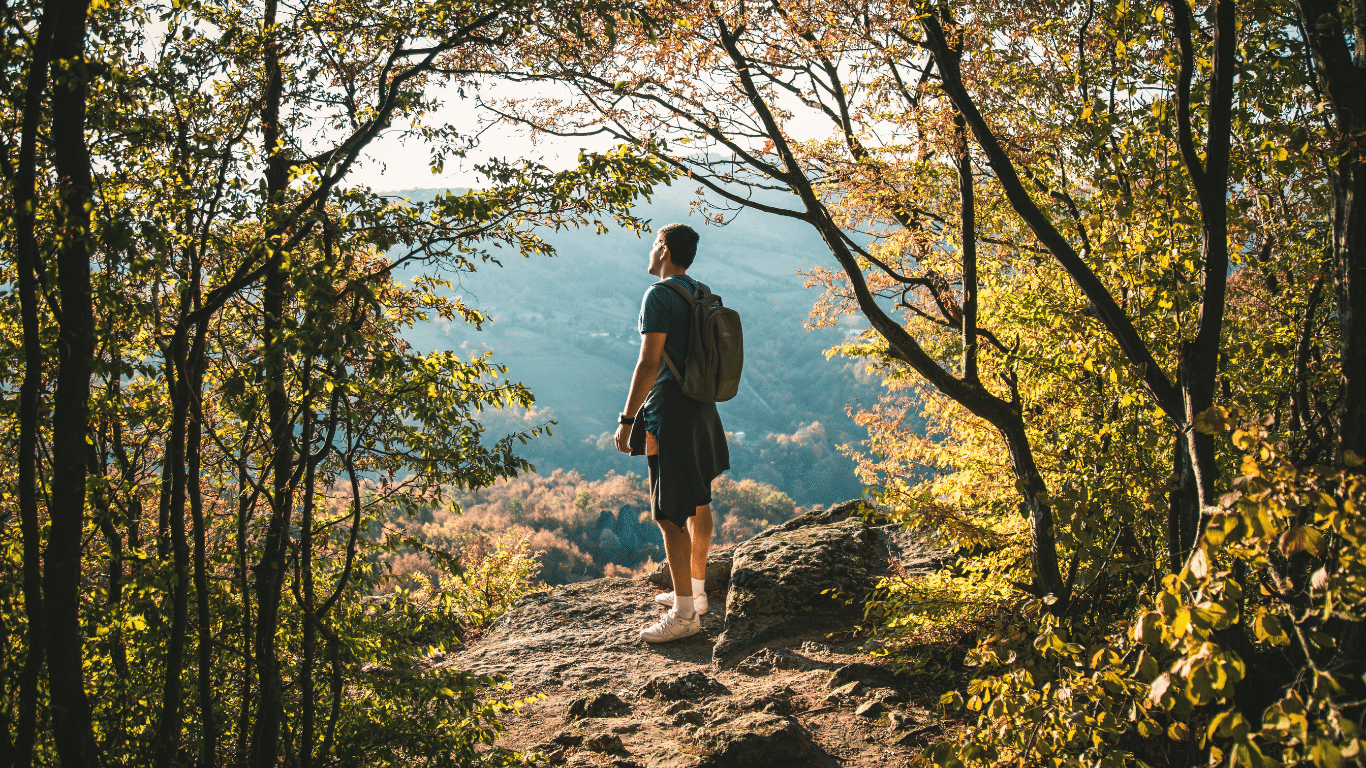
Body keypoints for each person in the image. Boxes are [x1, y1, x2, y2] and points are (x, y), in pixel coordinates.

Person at [614, 223, 729, 643]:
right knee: (698, 499)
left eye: (653, 244)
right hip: (702, 406)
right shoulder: (700, 291)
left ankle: (684, 616)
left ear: (663, 249)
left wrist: (627, 419)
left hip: (671, 412)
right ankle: (695, 593)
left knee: (668, 513)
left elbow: (649, 363)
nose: (650, 252)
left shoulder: (659, 295)